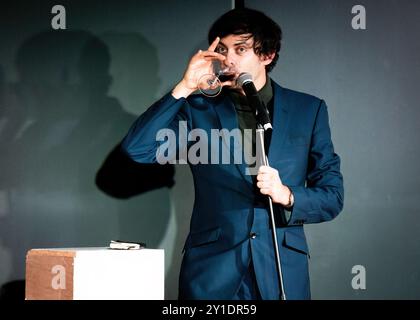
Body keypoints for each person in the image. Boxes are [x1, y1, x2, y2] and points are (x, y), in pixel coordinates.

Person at [121, 8, 344, 300]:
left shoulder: (308, 110)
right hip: (212, 272)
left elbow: (332, 196)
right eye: (223, 49)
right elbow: (138, 149)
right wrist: (185, 87)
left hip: (280, 271)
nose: (229, 59)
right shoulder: (199, 108)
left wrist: (287, 195)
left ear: (268, 54)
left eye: (241, 49)